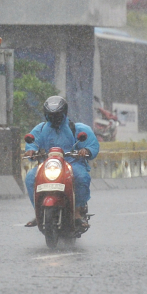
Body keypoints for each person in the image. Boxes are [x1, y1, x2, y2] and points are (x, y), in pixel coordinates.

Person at [24, 96, 99, 227]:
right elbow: (32, 143)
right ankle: (38, 212)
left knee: (82, 177)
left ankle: (77, 212)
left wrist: (86, 150)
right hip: (49, 164)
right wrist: (30, 151)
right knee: (31, 178)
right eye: (51, 115)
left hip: (73, 163)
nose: (54, 118)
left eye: (57, 115)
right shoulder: (40, 129)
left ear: (64, 113)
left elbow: (92, 145)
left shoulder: (78, 128)